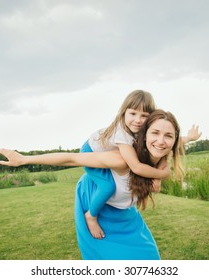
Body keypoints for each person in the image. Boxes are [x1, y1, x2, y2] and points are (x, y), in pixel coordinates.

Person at [0, 109, 187, 260]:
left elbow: (176, 143)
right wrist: (24, 159)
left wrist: (161, 173)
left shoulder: (161, 157)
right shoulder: (121, 159)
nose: (161, 141)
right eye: (155, 133)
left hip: (127, 215)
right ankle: (91, 218)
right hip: (98, 208)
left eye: (168, 136)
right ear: (144, 135)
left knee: (150, 259)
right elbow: (72, 159)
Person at [79, 90, 200, 239]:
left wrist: (190, 138)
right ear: (124, 113)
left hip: (106, 154)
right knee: (107, 186)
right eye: (133, 114)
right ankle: (91, 216)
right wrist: (160, 175)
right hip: (89, 153)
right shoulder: (121, 133)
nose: (138, 120)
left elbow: (169, 140)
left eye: (144, 115)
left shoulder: (140, 131)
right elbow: (136, 166)